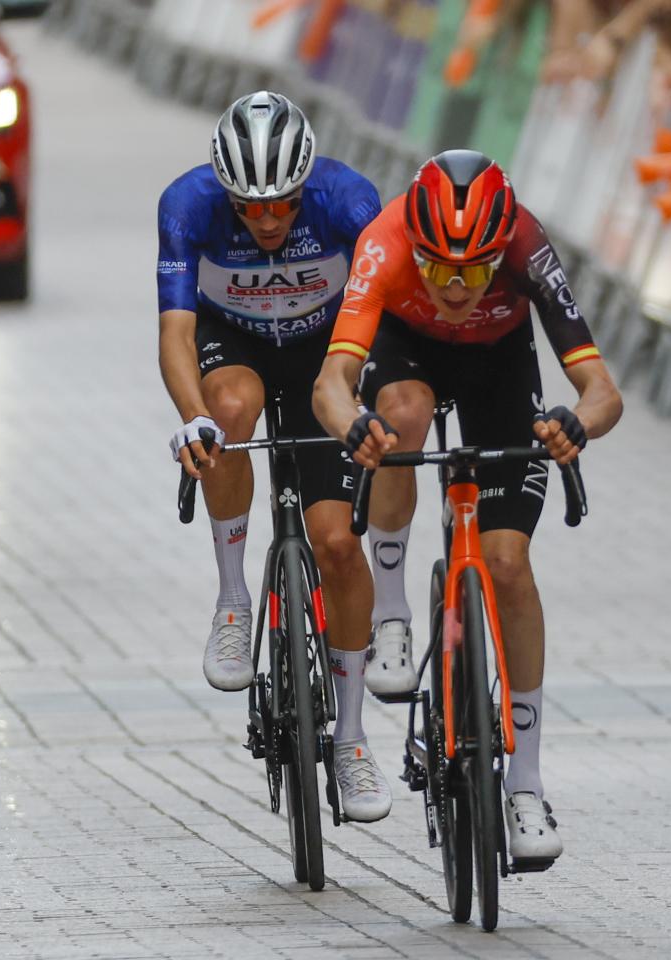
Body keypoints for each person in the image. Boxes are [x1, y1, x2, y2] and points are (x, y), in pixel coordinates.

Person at [312, 150, 624, 864]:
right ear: (416, 249)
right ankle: (391, 614)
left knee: (508, 566)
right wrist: (352, 426)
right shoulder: (386, 241)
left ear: (500, 253)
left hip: (497, 364)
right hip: (408, 354)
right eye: (441, 269)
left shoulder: (526, 246)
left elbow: (603, 391)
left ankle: (525, 783)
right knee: (401, 413)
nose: (456, 286)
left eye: (477, 271)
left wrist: (577, 422)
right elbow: (332, 381)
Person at [156, 91, 393, 822]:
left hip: (326, 356)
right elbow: (174, 335)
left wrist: (363, 408)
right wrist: (192, 420)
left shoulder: (349, 202)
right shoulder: (187, 205)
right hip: (240, 349)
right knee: (224, 412)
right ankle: (234, 598)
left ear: (306, 186)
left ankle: (351, 738)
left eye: (281, 205)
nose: (264, 221)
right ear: (224, 191)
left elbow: (385, 318)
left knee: (337, 548)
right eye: (248, 206)